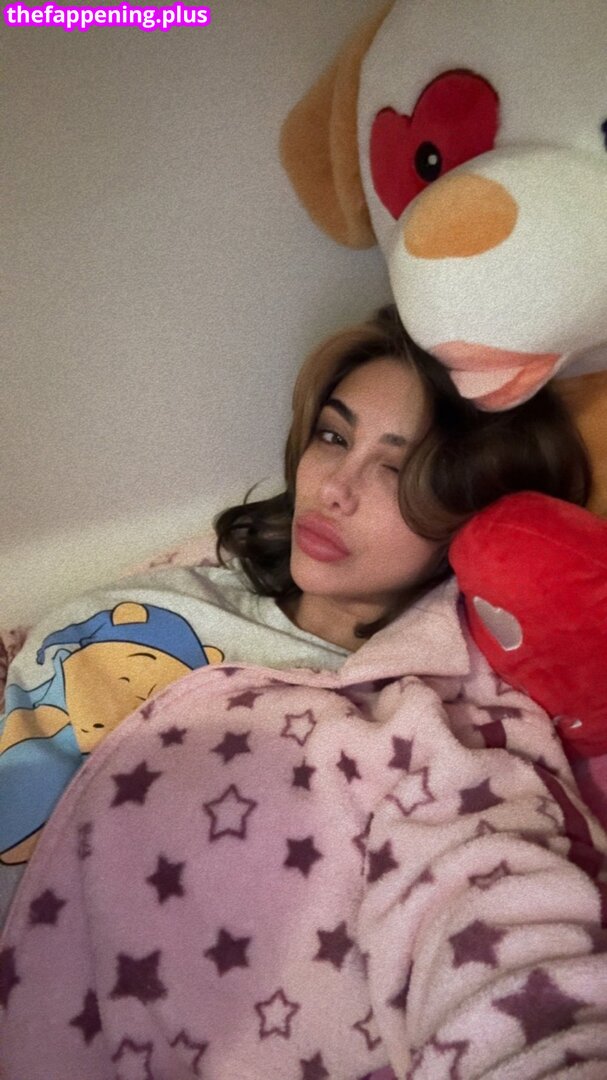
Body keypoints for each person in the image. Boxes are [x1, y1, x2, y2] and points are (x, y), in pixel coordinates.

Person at [0, 305, 605, 1080]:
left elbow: (493, 913)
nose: (335, 490)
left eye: (396, 471)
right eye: (333, 436)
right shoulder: (172, 595)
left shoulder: (429, 715)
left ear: (468, 516)